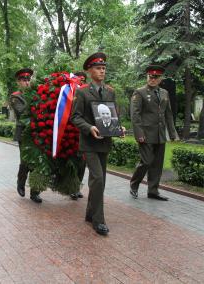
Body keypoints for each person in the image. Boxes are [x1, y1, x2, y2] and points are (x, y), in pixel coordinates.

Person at [71, 52, 121, 236]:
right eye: (98, 68)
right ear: (90, 71)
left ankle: (90, 214)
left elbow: (114, 113)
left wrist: (119, 127)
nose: (102, 71)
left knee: (100, 181)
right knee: (98, 178)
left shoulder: (110, 91)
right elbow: (75, 117)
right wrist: (89, 127)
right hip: (89, 143)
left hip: (104, 142)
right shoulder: (82, 92)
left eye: (103, 68)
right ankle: (98, 221)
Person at [129, 65, 178, 201]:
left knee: (157, 164)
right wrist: (139, 134)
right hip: (145, 133)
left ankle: (153, 191)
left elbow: (168, 114)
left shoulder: (164, 93)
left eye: (156, 77)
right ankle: (134, 184)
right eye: (150, 76)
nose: (152, 79)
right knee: (146, 161)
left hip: (160, 134)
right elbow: (135, 115)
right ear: (147, 77)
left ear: (160, 79)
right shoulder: (140, 92)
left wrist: (172, 133)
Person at [10, 68, 42, 203]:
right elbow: (22, 113)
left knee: (38, 161)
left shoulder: (36, 94)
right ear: (18, 82)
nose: (27, 83)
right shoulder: (15, 96)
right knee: (26, 161)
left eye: (29, 80)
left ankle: (35, 192)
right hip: (23, 132)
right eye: (24, 80)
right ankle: (21, 182)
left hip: (37, 131)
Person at [70, 71, 88, 201]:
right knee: (74, 163)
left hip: (85, 133)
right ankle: (72, 188)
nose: (81, 82)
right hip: (71, 134)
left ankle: (77, 187)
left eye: (83, 80)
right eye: (79, 80)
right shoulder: (70, 93)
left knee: (82, 163)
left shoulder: (87, 94)